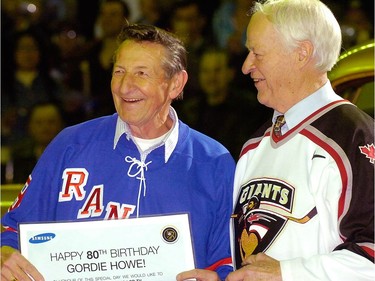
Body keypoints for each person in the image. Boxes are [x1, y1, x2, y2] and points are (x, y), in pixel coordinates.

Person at [0, 23, 235, 281]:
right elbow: (13, 230)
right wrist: (5, 253)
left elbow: (227, 261)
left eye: (141, 73)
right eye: (119, 71)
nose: (124, 87)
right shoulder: (69, 146)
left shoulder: (214, 162)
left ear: (175, 84)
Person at [177, 0, 375, 280]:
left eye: (257, 53)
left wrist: (286, 272)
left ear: (301, 54)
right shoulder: (254, 146)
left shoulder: (354, 137)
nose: (246, 66)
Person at [7, 102, 65, 184]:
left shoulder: (71, 157)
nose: (45, 127)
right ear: (29, 126)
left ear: (61, 125)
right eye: (39, 122)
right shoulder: (20, 158)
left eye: (51, 122)